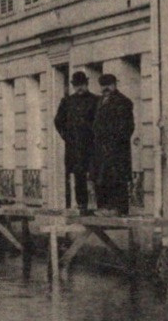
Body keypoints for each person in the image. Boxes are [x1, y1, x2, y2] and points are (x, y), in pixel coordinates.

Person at [53, 71, 99, 212]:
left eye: (82, 85)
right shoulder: (67, 102)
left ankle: (97, 205)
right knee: (78, 175)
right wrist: (67, 136)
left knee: (95, 173)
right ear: (73, 86)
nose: (79, 88)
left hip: (92, 145)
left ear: (87, 84)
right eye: (77, 85)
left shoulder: (96, 100)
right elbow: (58, 121)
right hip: (75, 146)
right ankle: (82, 205)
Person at [92, 73, 136, 215]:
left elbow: (127, 127)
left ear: (114, 85)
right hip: (101, 148)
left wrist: (114, 142)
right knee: (102, 178)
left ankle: (119, 209)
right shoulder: (99, 102)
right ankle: (104, 208)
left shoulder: (123, 102)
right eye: (103, 86)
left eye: (109, 85)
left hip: (117, 149)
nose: (106, 88)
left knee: (117, 178)